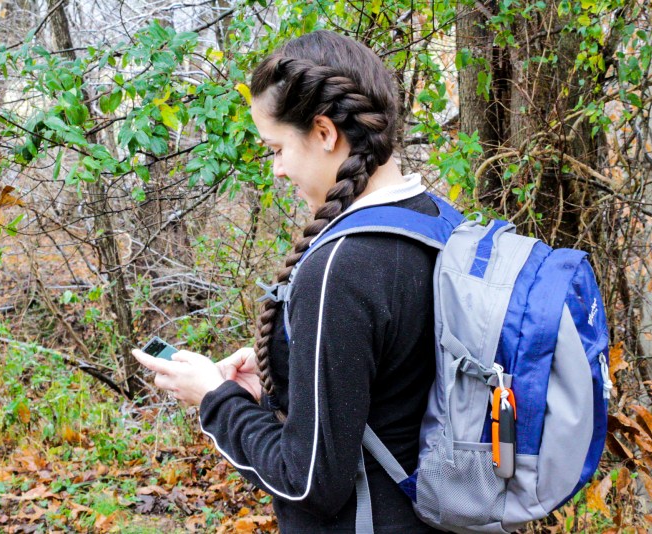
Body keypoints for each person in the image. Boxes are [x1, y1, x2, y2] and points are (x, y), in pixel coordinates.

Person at [133, 30, 444, 533]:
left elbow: (308, 483)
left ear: (324, 133)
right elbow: (391, 382)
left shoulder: (341, 266)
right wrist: (285, 373)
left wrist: (215, 399)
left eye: (276, 149)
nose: (276, 170)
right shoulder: (433, 221)